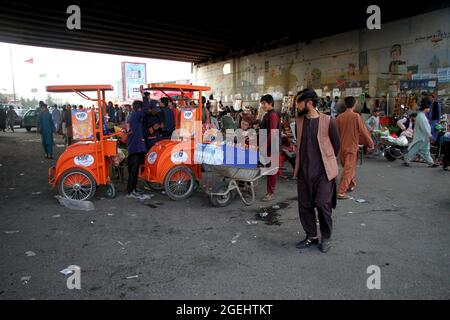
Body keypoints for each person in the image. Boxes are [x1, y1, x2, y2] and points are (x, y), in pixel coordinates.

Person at [293, 89, 340, 253]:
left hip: (323, 173)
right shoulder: (299, 121)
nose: (297, 106)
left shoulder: (328, 121)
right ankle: (311, 236)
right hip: (304, 172)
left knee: (322, 204)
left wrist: (326, 160)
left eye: (299, 102)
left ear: (309, 102)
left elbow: (336, 146)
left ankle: (326, 237)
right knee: (304, 206)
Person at [336, 96, 374, 200]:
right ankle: (341, 192)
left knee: (348, 168)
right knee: (348, 169)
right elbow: (363, 132)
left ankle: (350, 184)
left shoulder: (339, 117)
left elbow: (336, 134)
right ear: (354, 104)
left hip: (342, 147)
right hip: (351, 147)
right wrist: (370, 143)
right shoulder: (356, 116)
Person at [403, 98, 438, 168]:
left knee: (425, 151)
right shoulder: (421, 117)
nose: (430, 109)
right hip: (421, 137)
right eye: (429, 108)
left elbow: (425, 127)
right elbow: (425, 128)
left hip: (423, 137)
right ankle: (406, 160)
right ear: (425, 108)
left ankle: (431, 163)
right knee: (416, 150)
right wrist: (430, 136)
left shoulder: (421, 116)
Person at [259, 94, 280, 202]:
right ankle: (269, 191)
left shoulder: (273, 115)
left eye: (264, 103)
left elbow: (272, 133)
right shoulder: (267, 114)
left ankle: (270, 193)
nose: (262, 106)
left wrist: (263, 147)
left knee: (271, 170)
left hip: (273, 146)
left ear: (270, 103)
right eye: (261, 104)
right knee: (268, 169)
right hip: (268, 145)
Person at [126, 100, 149, 199]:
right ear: (139, 108)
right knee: (133, 170)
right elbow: (145, 110)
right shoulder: (135, 115)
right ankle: (130, 190)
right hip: (134, 148)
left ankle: (134, 189)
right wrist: (144, 96)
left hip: (136, 147)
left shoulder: (134, 116)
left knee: (135, 170)